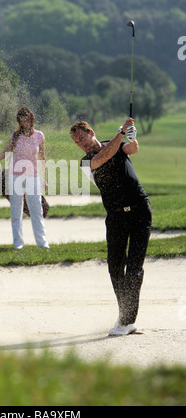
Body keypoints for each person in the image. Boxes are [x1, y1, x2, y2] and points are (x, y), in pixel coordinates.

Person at [70, 118, 152, 336]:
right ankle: (125, 316)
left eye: (82, 137)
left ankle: (126, 320)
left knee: (134, 269)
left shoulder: (114, 143)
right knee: (115, 268)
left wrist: (132, 137)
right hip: (116, 218)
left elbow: (131, 148)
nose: (81, 143)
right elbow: (104, 157)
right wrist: (121, 132)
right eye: (77, 142)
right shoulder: (87, 162)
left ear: (91, 132)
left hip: (140, 211)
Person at [0, 106, 49, 250]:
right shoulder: (15, 136)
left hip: (33, 177)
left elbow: (42, 158)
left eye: (27, 119)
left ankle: (42, 242)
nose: (25, 122)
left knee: (36, 210)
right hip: (15, 177)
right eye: (22, 120)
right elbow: (5, 153)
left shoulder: (39, 136)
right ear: (19, 121)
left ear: (32, 119)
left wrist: (45, 179)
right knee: (16, 210)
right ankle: (18, 243)